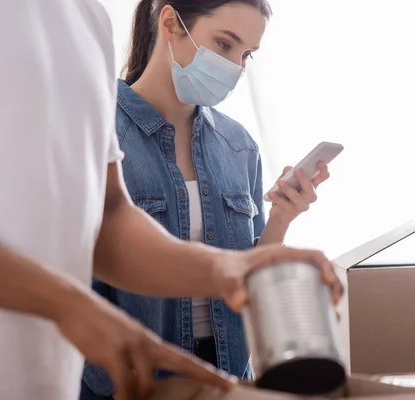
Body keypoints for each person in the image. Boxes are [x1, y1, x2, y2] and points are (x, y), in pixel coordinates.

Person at [0, 1, 341, 400]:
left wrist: (235, 267)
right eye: (226, 46)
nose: (235, 65)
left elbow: (108, 219)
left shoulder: (85, 19)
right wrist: (68, 303)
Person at [81, 0, 334, 399]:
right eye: (224, 44)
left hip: (227, 380)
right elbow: (77, 271)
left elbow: (244, 283)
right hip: (126, 384)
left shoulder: (239, 147)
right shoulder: (96, 130)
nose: (235, 67)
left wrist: (282, 218)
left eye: (246, 54)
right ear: (170, 23)